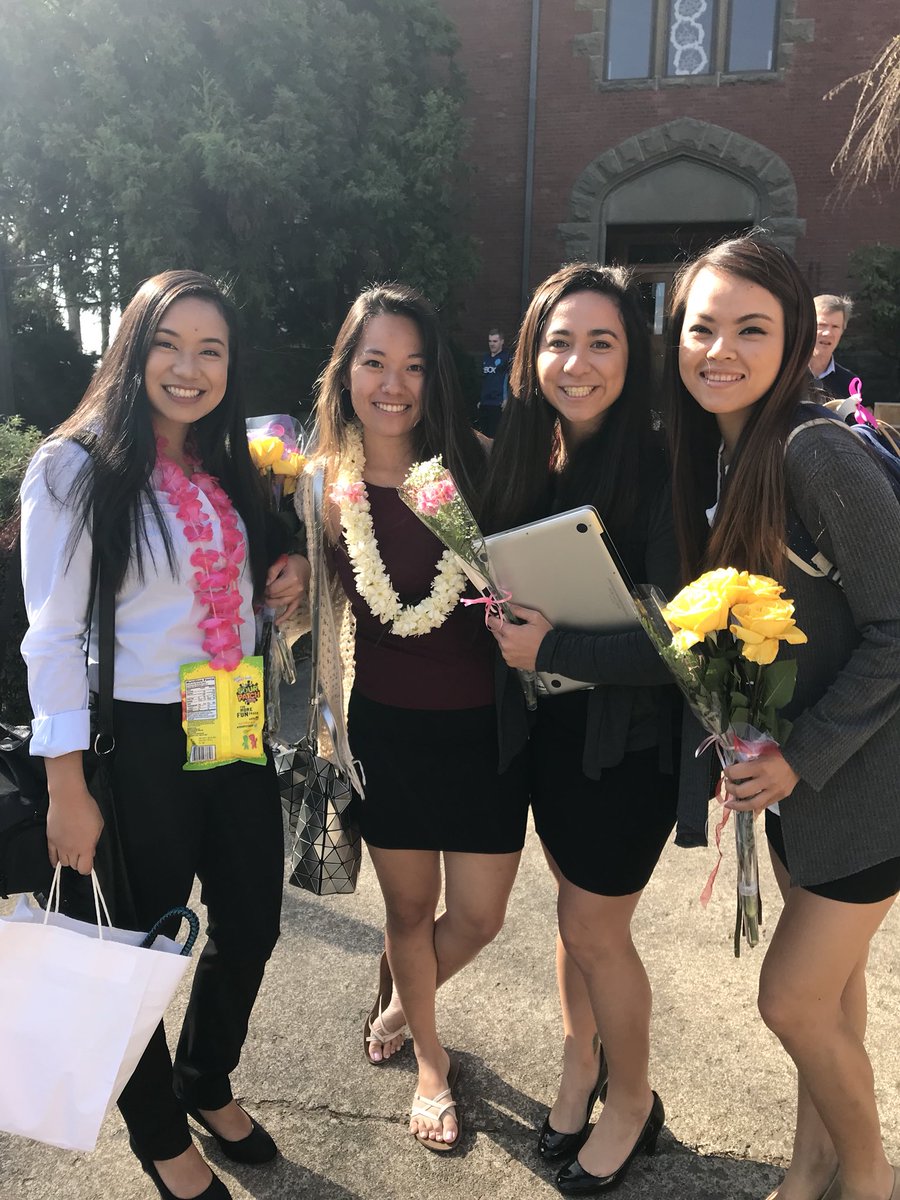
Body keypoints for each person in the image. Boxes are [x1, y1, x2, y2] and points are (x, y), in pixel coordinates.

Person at [19, 270, 306, 1200]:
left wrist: (283, 579)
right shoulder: (74, 467)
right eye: (168, 345)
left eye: (211, 350)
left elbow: (234, 595)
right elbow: (53, 634)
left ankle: (203, 1076)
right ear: (131, 350)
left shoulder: (227, 469)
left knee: (253, 920)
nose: (189, 367)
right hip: (132, 741)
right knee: (132, 948)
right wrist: (67, 785)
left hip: (230, 721)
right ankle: (159, 1139)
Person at [667, 237, 900, 1200]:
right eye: (701, 326)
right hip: (814, 793)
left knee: (791, 999)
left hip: (870, 788)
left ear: (799, 338)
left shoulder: (813, 450)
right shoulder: (733, 456)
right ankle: (810, 1171)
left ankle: (870, 1180)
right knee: (831, 1003)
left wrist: (799, 758)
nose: (720, 349)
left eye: (750, 329)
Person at [294, 284, 529, 1151]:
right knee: (408, 912)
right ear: (346, 372)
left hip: (485, 733)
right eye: (375, 363)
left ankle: (397, 995)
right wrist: (285, 591)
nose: (394, 384)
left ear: (437, 379)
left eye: (414, 366)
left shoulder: (480, 464)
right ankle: (430, 1060)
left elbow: (525, 578)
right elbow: (310, 600)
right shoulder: (323, 484)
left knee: (477, 918)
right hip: (387, 731)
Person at [480, 263, 679, 1196]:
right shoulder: (530, 459)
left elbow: (686, 645)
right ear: (530, 355)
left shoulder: (666, 469)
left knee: (598, 929)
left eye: (603, 342)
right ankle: (580, 1065)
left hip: (626, 747)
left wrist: (558, 644)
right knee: (573, 916)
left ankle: (634, 1102)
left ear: (633, 357)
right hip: (551, 738)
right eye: (559, 341)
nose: (579, 361)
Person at [809, 293, 855, 400]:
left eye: (835, 327)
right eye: (821, 325)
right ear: (807, 326)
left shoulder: (849, 383)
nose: (828, 333)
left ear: (842, 330)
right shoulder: (785, 373)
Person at [478, 327, 511, 438]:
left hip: (498, 403)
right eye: (490, 341)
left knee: (495, 436)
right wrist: (480, 399)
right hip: (484, 403)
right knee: (483, 436)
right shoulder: (486, 358)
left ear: (502, 341)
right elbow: (484, 380)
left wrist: (507, 399)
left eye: (495, 341)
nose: (492, 344)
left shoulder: (507, 358)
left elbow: (510, 379)